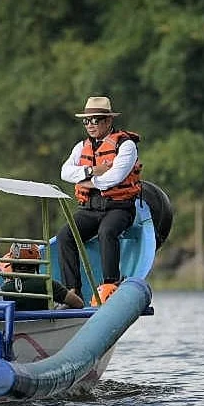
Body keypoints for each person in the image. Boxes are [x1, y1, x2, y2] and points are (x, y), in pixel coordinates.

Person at [57, 96, 142, 306]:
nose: (90, 125)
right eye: (87, 121)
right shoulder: (81, 147)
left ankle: (110, 285)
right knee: (65, 236)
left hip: (119, 208)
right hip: (90, 209)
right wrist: (91, 170)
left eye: (95, 120)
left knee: (107, 231)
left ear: (108, 121)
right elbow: (65, 172)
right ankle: (73, 290)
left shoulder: (126, 145)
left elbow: (115, 178)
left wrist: (89, 181)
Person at [0, 242, 84, 309]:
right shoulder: (47, 284)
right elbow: (79, 303)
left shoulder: (4, 291)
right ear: (36, 264)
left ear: (12, 263)